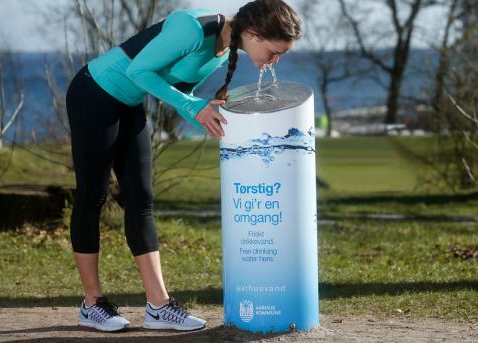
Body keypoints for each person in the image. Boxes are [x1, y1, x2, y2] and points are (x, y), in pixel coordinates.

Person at [65, 0, 302, 332]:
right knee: (92, 197)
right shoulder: (193, 27)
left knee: (141, 200)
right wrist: (193, 106)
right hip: (94, 93)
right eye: (275, 51)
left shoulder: (223, 50)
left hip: (129, 104)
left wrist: (212, 109)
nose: (275, 60)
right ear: (252, 32)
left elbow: (176, 89)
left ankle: (158, 306)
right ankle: (92, 304)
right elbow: (137, 71)